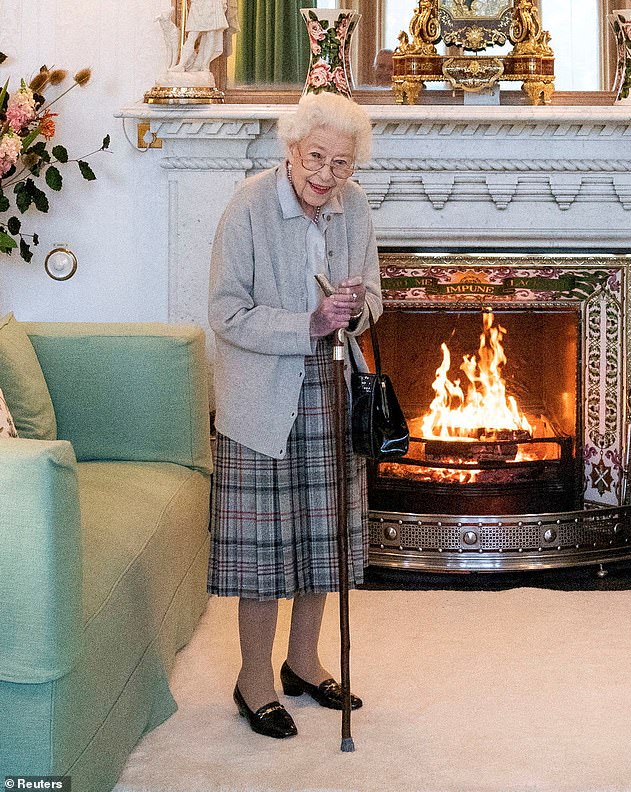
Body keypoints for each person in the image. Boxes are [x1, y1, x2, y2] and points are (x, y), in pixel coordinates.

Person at [207, 92, 381, 739]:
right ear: (291, 149)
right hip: (261, 396)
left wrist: (355, 307)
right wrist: (307, 322)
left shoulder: (353, 207)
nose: (326, 175)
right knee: (264, 550)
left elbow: (374, 299)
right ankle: (253, 681)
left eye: (341, 163)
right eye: (316, 158)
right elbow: (225, 313)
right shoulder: (249, 206)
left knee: (320, 537)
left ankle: (302, 663)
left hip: (331, 387)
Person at [171, 0, 237, 74]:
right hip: (198, 6)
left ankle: (204, 65)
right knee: (192, 36)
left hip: (213, 6)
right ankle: (181, 64)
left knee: (211, 36)